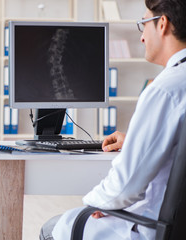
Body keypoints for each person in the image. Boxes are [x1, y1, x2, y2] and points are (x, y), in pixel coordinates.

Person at [40, 0, 186, 239]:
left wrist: (96, 202)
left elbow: (125, 187)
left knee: (54, 226)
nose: (141, 37)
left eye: (143, 24)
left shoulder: (164, 91)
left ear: (162, 24)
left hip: (151, 228)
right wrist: (135, 141)